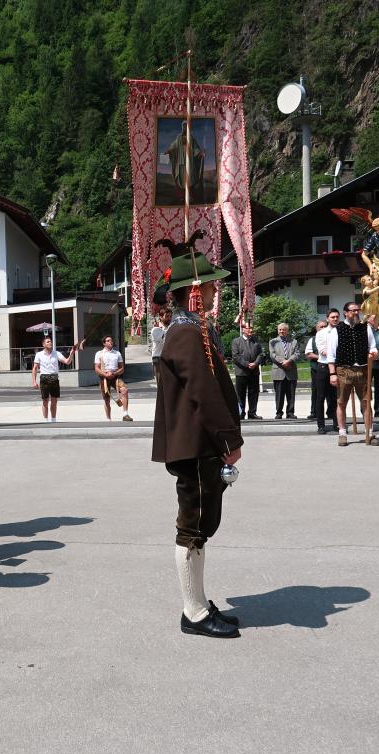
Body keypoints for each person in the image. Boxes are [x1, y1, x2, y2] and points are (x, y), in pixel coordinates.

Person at [150, 254, 243, 639]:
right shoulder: (186, 331)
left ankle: (199, 603)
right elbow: (203, 392)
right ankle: (194, 612)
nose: (214, 289)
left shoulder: (192, 327)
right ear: (194, 291)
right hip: (198, 444)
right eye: (208, 285)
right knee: (193, 527)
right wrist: (229, 439)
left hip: (199, 443)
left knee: (199, 527)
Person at [322, 301, 379, 447]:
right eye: (352, 310)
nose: (356, 313)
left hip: (362, 369)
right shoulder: (337, 330)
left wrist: (373, 353)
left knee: (366, 402)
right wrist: (332, 374)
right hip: (343, 370)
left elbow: (373, 347)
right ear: (345, 313)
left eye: (357, 310)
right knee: (341, 403)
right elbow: (331, 355)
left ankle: (370, 432)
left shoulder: (365, 328)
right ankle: (342, 433)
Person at [30, 335, 75, 422]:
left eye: (50, 341)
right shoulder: (39, 354)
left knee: (54, 401)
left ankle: (53, 420)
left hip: (54, 378)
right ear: (43, 344)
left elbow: (67, 361)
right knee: (45, 401)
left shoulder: (56, 353)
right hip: (44, 378)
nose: (50, 342)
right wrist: (34, 381)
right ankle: (45, 420)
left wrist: (71, 354)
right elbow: (35, 368)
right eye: (48, 341)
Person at [230, 322, 264, 419]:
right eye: (249, 328)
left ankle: (252, 413)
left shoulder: (256, 341)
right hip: (241, 372)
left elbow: (261, 354)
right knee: (240, 394)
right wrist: (247, 364)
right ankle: (241, 412)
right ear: (243, 329)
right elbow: (236, 356)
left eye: (252, 328)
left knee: (254, 393)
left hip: (254, 371)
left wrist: (255, 363)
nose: (251, 330)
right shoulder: (236, 341)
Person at [95, 335, 132, 421]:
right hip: (104, 378)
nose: (110, 342)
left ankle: (125, 414)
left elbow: (122, 368)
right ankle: (108, 419)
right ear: (104, 343)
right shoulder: (99, 354)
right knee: (106, 399)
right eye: (108, 341)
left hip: (115, 377)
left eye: (111, 340)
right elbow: (97, 368)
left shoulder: (117, 353)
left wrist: (115, 373)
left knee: (124, 390)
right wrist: (105, 374)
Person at [268, 322, 300, 419]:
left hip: (291, 371)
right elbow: (272, 355)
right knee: (279, 394)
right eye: (280, 330)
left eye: (284, 329)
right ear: (278, 330)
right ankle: (279, 412)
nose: (282, 331)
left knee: (291, 394)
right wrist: (283, 362)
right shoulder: (272, 341)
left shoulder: (294, 341)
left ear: (287, 331)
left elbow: (297, 354)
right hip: (278, 371)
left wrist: (289, 361)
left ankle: (290, 413)